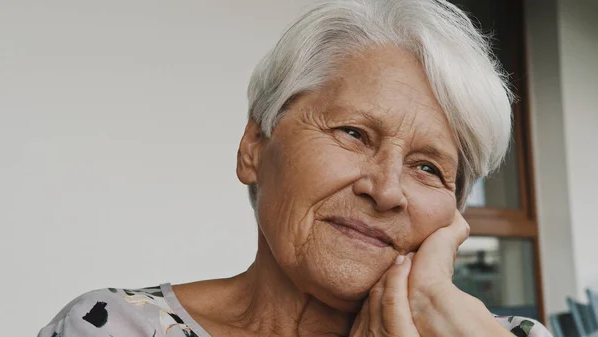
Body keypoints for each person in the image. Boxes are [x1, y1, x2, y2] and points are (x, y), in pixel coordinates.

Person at [38, 0, 553, 336]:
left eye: (428, 168)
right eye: (354, 133)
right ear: (254, 145)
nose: (387, 190)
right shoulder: (111, 326)